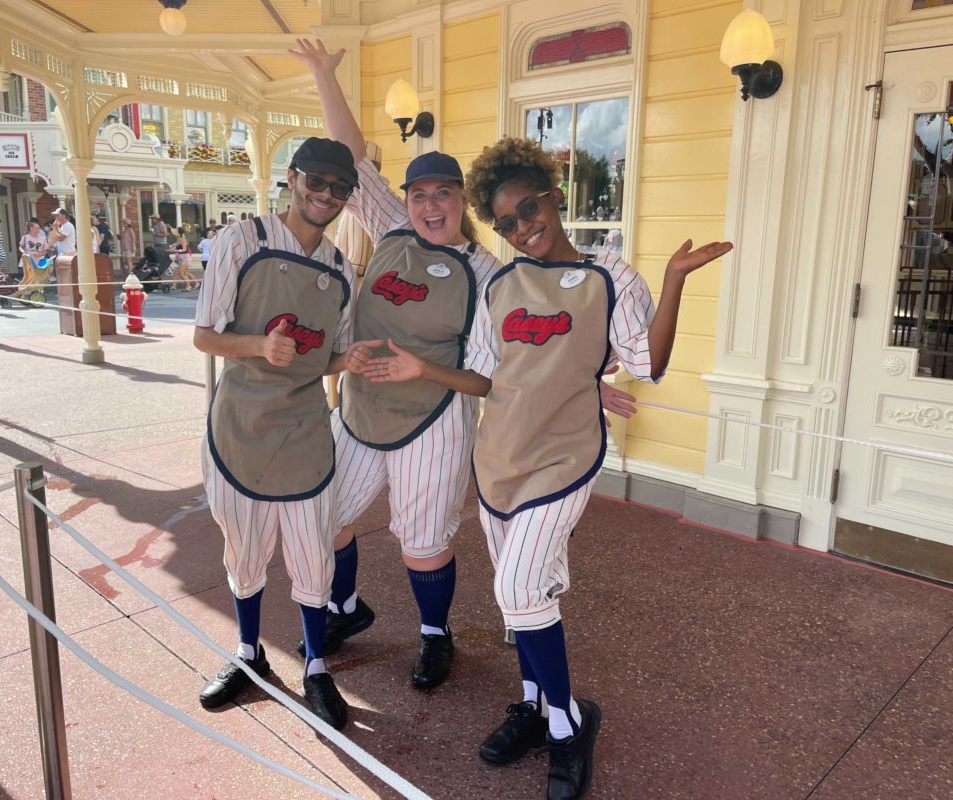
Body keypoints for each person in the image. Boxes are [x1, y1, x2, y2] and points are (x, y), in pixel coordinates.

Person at [363, 136, 732, 799]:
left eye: (528, 208)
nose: (520, 227)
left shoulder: (609, 276)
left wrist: (673, 281)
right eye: (503, 221)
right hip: (498, 459)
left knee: (516, 591)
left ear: (554, 197)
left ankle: (566, 724)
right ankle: (533, 706)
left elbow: (646, 364)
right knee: (530, 597)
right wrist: (424, 369)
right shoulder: (499, 283)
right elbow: (482, 378)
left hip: (564, 458)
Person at [289, 38, 504, 692]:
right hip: (356, 413)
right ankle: (346, 609)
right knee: (321, 518)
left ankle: (434, 636)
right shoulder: (391, 230)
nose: (428, 205)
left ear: (460, 199)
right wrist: (324, 75)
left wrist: (422, 370)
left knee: (422, 544)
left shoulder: (484, 272)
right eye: (418, 194)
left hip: (430, 422)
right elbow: (354, 159)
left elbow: (487, 379)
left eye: (442, 194)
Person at [192, 137, 367, 730]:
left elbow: (329, 356)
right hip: (239, 426)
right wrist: (258, 346)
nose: (325, 196)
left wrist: (354, 361)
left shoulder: (343, 270)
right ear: (291, 179)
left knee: (312, 555)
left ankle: (317, 665)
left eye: (338, 188)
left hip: (305, 432)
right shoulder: (244, 240)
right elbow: (205, 336)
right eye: (315, 182)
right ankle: (248, 654)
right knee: (243, 550)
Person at [170, 226, 195, 291]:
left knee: (182, 273)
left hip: (185, 258)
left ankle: (188, 286)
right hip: (179, 257)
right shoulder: (178, 239)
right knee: (176, 271)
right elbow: (175, 246)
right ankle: (184, 286)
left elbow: (184, 249)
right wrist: (172, 247)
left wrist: (176, 251)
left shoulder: (183, 239)